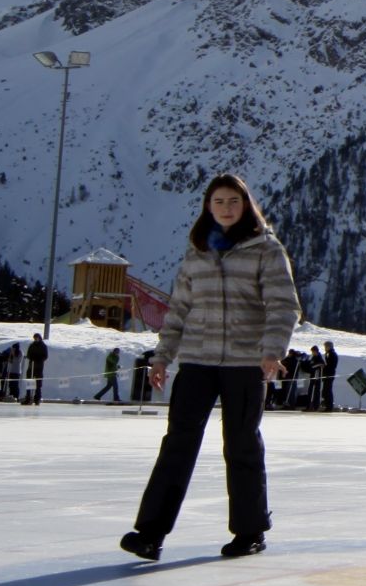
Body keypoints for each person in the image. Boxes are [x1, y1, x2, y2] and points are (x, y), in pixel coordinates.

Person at [120, 173, 300, 563]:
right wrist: (163, 357)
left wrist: (272, 351)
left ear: (246, 205)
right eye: (218, 202)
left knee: (241, 445)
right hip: (198, 362)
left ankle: (250, 531)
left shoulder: (266, 249)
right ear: (208, 207)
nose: (226, 209)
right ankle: (149, 533)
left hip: (243, 364)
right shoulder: (197, 251)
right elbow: (179, 310)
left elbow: (283, 305)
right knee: (177, 446)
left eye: (233, 201)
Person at [24, 332, 48, 405]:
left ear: (39, 338)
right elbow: (28, 354)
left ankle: (37, 399)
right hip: (31, 366)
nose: (36, 339)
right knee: (29, 382)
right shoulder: (32, 345)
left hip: (39, 367)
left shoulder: (43, 346)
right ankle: (28, 398)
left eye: (37, 338)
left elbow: (45, 356)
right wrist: (31, 358)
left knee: (38, 384)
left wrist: (39, 359)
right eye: (35, 338)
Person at [320, 341, 339, 410]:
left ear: (328, 347)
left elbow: (331, 365)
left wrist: (325, 367)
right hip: (328, 373)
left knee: (327, 390)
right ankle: (327, 405)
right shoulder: (329, 353)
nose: (325, 348)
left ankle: (329, 406)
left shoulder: (332, 354)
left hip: (329, 374)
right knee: (325, 390)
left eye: (325, 347)